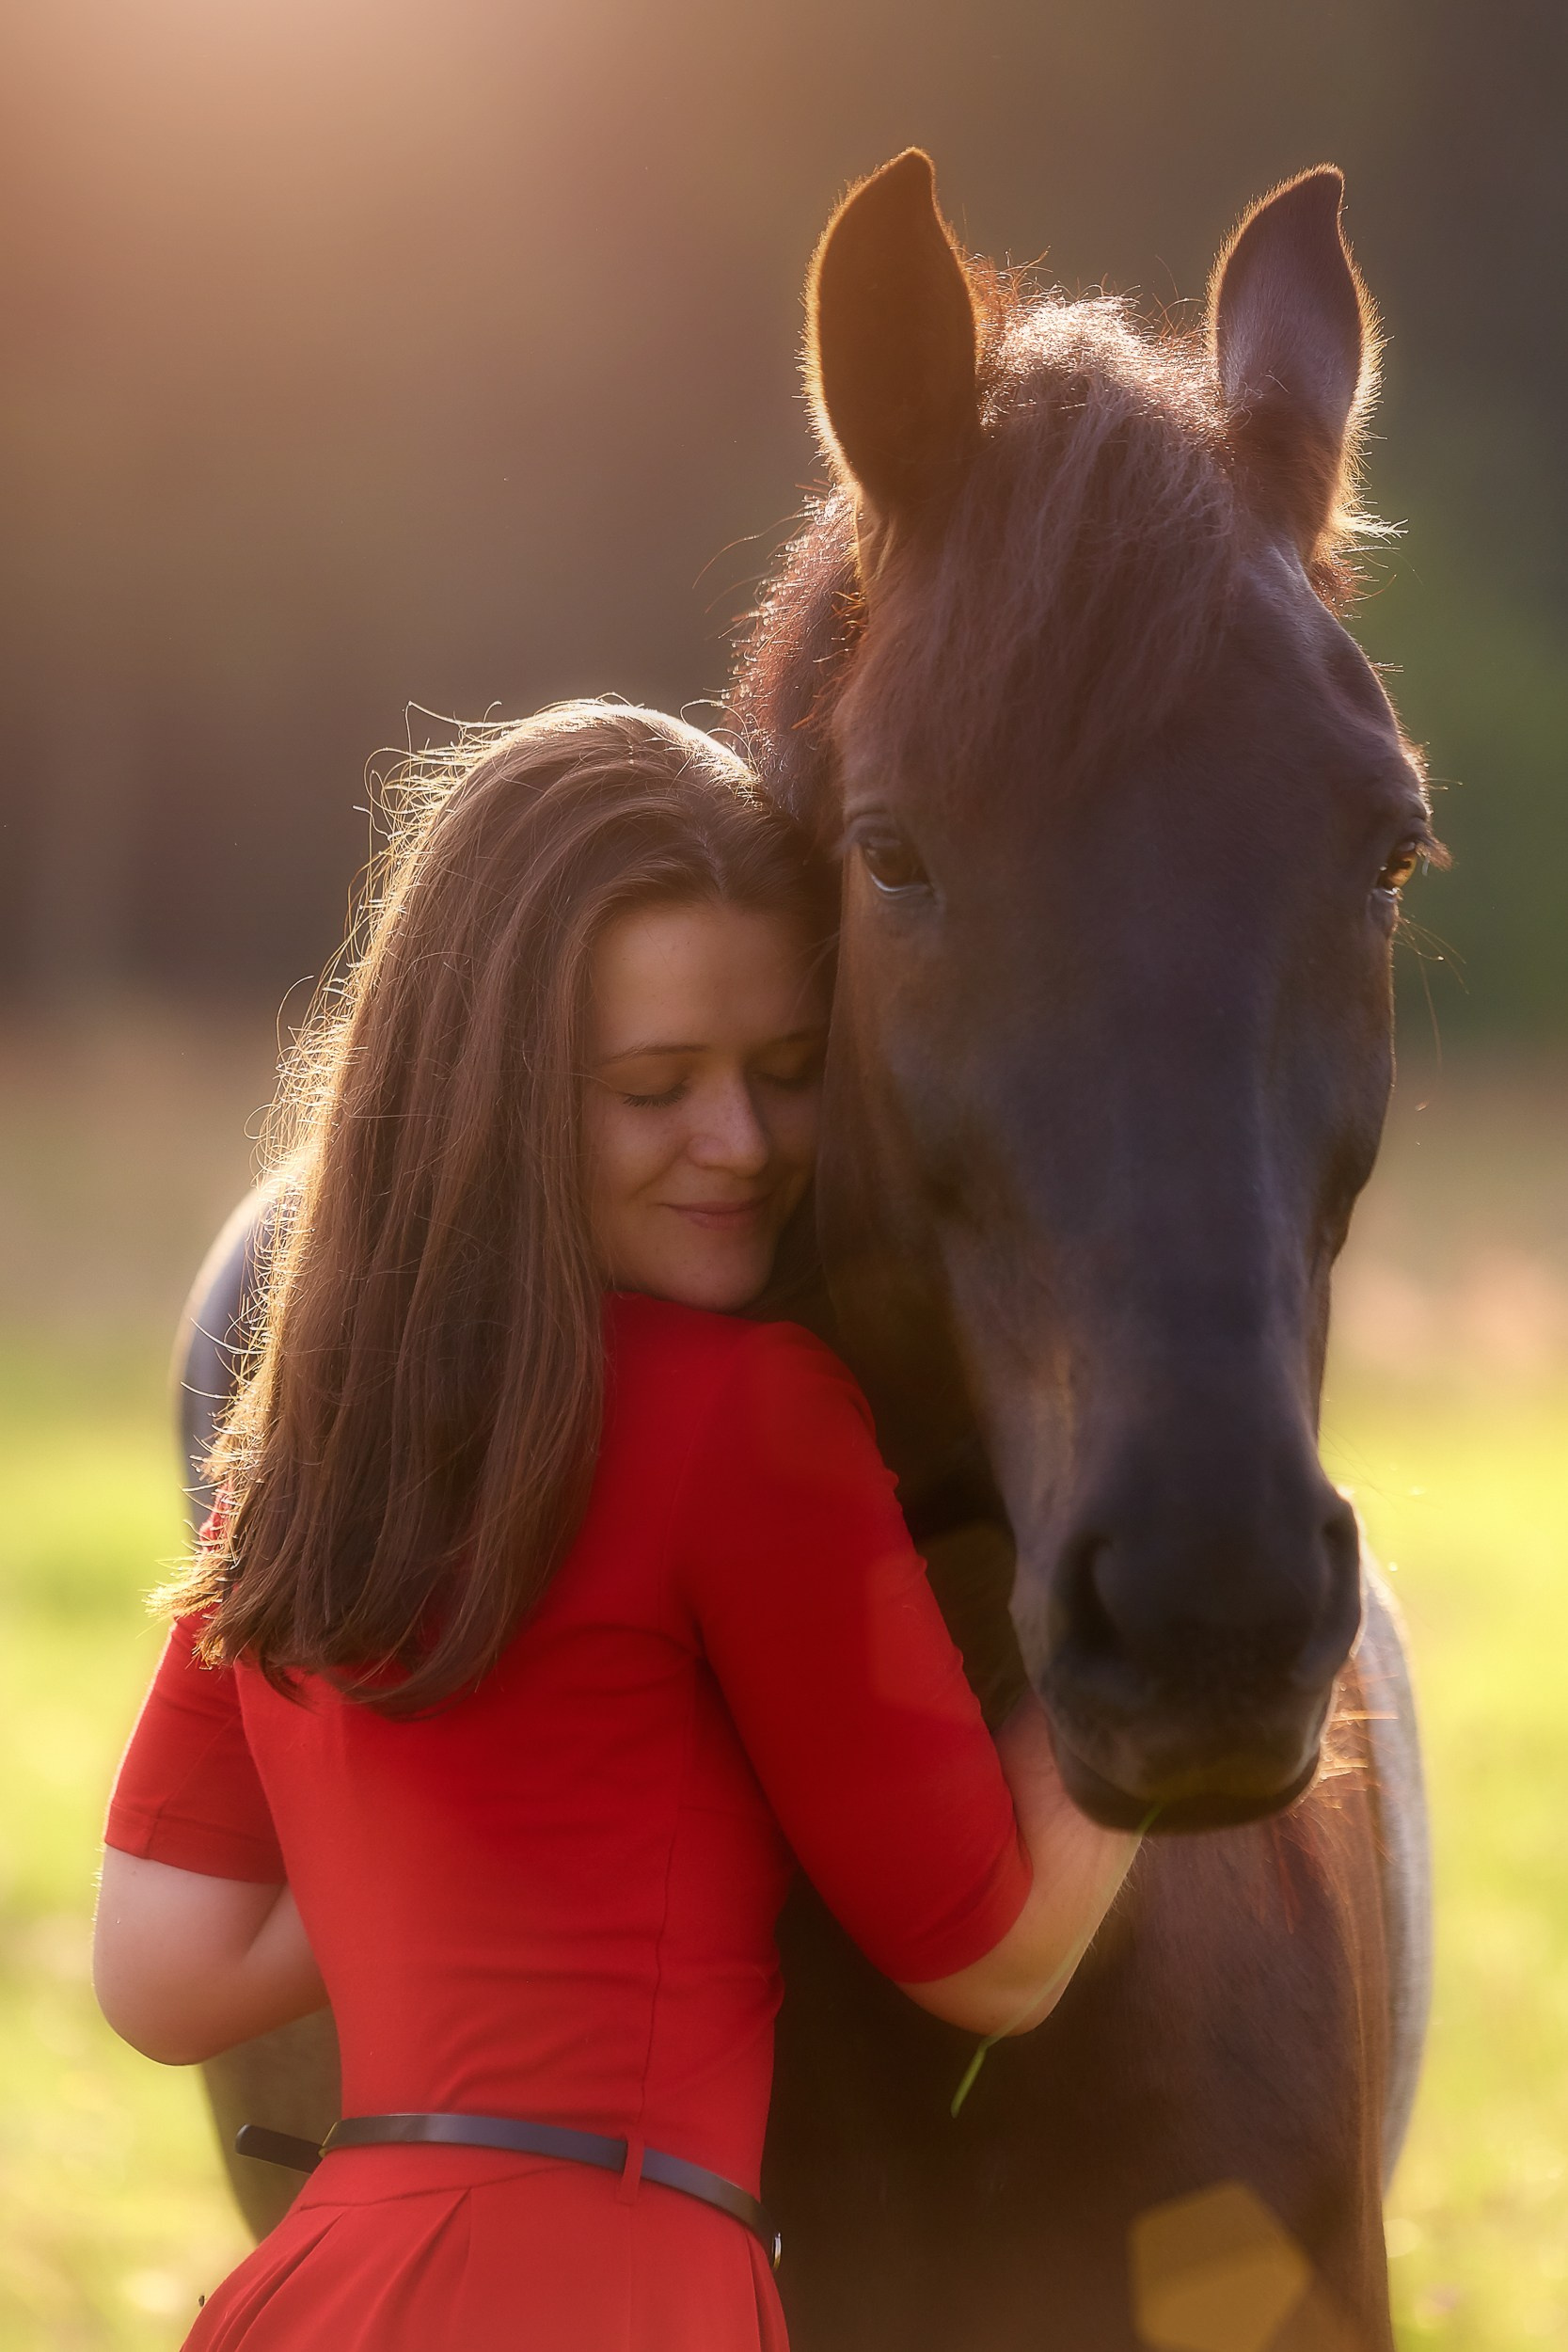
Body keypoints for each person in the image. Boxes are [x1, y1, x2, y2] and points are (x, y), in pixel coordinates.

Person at [94, 703, 1140, 2352]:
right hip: (610, 2291)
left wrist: (481, 1857)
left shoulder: (302, 1448)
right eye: (657, 1088)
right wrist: (1165, 1638)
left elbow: (159, 1970)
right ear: (497, 1096)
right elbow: (995, 1959)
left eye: (787, 1073)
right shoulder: (750, 1413)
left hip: (315, 2294)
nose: (738, 1143)